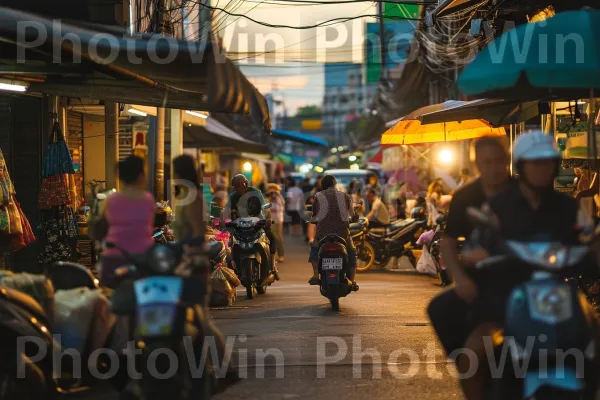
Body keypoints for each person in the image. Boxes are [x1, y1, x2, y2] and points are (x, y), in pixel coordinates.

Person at [440, 131, 596, 400]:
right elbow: (472, 243)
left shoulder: (568, 207)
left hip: (558, 293)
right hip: (504, 295)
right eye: (534, 163)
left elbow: (588, 238)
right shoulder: (497, 207)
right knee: (473, 356)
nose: (541, 169)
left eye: (547, 162)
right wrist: (474, 258)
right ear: (522, 165)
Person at [427, 136, 512, 398]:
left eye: (500, 161)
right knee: (440, 310)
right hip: (482, 284)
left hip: (523, 280)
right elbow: (448, 243)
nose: (495, 167)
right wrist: (460, 279)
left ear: (508, 161)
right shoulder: (466, 196)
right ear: (476, 165)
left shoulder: (524, 191)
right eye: (487, 162)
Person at [96, 155, 155, 288]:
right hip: (142, 259)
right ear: (141, 175)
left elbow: (101, 224)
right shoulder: (148, 199)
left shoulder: (110, 200)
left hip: (113, 258)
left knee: (110, 295)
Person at [308, 174, 359, 290]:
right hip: (342, 233)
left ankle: (316, 274)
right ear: (335, 184)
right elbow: (352, 215)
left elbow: (314, 216)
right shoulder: (345, 196)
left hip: (323, 234)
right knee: (352, 252)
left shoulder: (318, 196)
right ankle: (352, 280)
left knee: (315, 248)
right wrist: (355, 216)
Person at [226, 174, 279, 279]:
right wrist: (224, 220)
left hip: (258, 223)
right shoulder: (233, 197)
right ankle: (234, 268)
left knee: (272, 238)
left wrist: (268, 219)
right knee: (229, 243)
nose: (237, 189)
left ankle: (272, 264)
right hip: (240, 226)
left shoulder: (256, 193)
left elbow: (265, 208)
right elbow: (227, 211)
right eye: (235, 187)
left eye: (239, 186)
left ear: (245, 184)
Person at [172, 154, 206, 242]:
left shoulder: (193, 197)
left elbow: (199, 233)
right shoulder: (184, 195)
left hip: (191, 252)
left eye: (175, 172)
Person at [267, 183, 285, 263]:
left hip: (276, 220)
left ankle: (280, 256)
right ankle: (279, 255)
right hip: (277, 220)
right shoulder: (279, 196)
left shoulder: (275, 197)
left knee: (276, 238)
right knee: (277, 238)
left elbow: (274, 209)